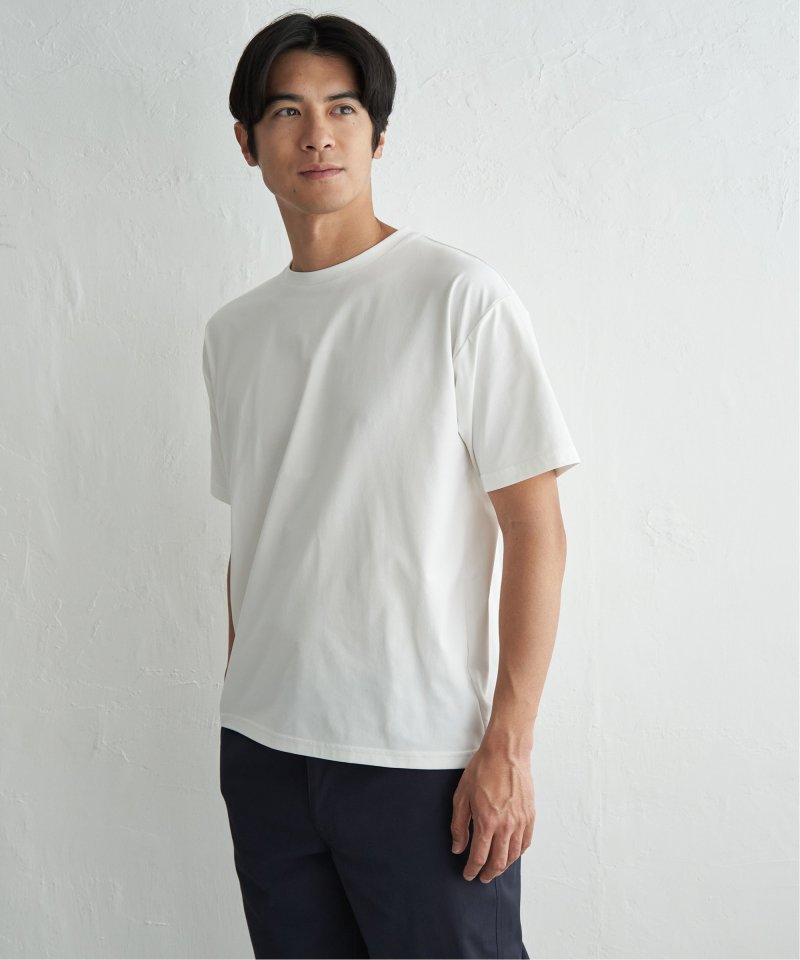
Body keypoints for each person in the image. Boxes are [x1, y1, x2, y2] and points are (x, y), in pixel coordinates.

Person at [202, 11, 581, 959]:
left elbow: (535, 527)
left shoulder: (458, 297)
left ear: (378, 137)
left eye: (343, 109)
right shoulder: (233, 333)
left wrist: (509, 745)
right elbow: (257, 536)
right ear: (247, 142)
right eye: (287, 111)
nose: (317, 134)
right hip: (264, 754)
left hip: (419, 762)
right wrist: (240, 698)